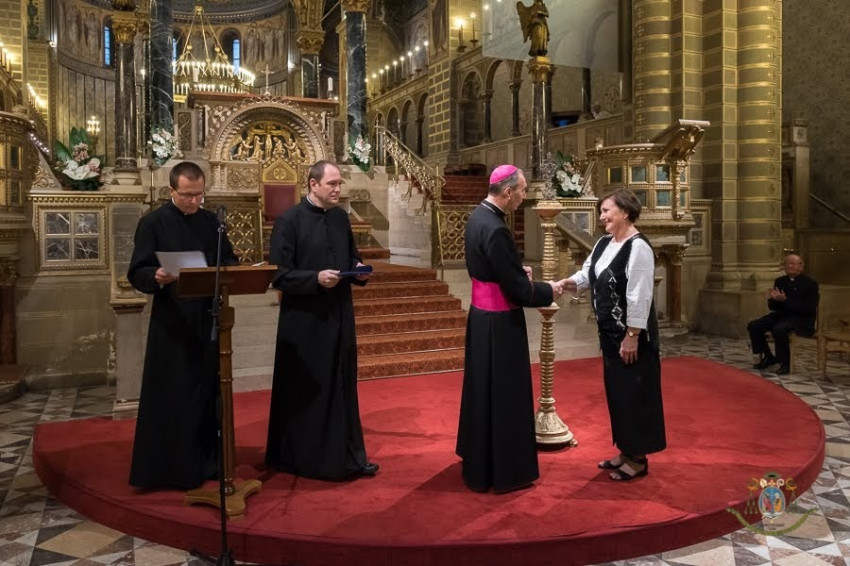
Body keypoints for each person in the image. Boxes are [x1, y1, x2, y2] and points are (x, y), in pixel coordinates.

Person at [127, 161, 239, 490]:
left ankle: (208, 461)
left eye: (199, 195)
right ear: (171, 191)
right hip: (172, 322)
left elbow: (229, 260)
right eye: (187, 195)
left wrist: (229, 269)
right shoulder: (153, 223)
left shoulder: (212, 223)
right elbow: (137, 271)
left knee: (206, 392)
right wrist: (156, 275)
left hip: (208, 318)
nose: (194, 201)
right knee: (175, 395)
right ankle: (172, 468)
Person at [265, 160, 377, 480]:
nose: (338, 189)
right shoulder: (289, 221)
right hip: (305, 321)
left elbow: (351, 256)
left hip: (339, 312)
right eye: (332, 184)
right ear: (313, 185)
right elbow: (278, 275)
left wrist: (358, 270)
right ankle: (309, 459)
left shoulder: (340, 217)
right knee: (311, 388)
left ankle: (346, 455)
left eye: (340, 183)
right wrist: (314, 278)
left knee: (341, 383)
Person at [456, 164, 564, 493]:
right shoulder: (498, 228)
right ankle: (505, 470)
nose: (524, 196)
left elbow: (491, 269)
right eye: (522, 190)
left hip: (481, 317)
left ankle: (480, 461)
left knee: (482, 392)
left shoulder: (477, 217)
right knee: (504, 395)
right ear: (507, 192)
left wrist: (517, 270)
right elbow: (518, 292)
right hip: (500, 324)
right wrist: (549, 290)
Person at [559, 188, 666, 481]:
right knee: (618, 394)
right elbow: (588, 274)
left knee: (635, 396)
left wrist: (632, 335)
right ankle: (626, 450)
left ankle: (639, 459)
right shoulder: (605, 243)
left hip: (632, 338)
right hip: (609, 335)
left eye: (606, 211)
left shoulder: (638, 247)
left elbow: (640, 295)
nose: (601, 216)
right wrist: (567, 284)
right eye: (601, 211)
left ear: (625, 212)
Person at [747, 254, 819, 375]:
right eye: (787, 264)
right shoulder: (780, 281)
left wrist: (785, 300)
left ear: (801, 267)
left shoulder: (810, 283)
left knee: (779, 329)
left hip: (802, 319)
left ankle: (785, 363)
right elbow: (773, 307)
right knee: (754, 325)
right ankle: (768, 357)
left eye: (793, 264)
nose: (790, 266)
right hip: (781, 315)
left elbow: (808, 308)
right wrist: (774, 299)